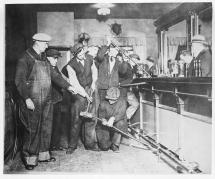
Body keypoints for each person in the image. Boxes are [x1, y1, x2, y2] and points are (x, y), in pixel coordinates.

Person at [15, 33, 76, 170]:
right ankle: (30, 158)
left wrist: (68, 86)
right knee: (32, 129)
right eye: (45, 43)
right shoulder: (25, 58)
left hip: (47, 100)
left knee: (46, 128)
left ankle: (43, 155)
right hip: (32, 100)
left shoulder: (43, 58)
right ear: (36, 42)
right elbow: (19, 81)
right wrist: (26, 98)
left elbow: (54, 76)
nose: (47, 46)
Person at [61, 43, 93, 154]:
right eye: (78, 53)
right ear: (74, 54)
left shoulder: (89, 58)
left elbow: (95, 73)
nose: (81, 55)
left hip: (90, 89)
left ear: (84, 50)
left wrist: (93, 88)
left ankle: (89, 144)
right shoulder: (70, 65)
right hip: (78, 93)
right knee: (76, 119)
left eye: (82, 52)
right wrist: (85, 95)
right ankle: (72, 145)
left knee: (91, 118)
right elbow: (74, 83)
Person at [97, 87, 127, 152]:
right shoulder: (103, 102)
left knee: (121, 123)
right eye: (109, 99)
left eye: (113, 100)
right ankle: (107, 142)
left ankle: (115, 145)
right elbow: (101, 115)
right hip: (105, 125)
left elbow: (121, 114)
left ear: (117, 98)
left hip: (116, 122)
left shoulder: (122, 102)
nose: (110, 101)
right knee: (104, 147)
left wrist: (113, 118)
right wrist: (103, 120)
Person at [46, 49, 64, 151]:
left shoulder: (54, 67)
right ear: (48, 58)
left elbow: (60, 78)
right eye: (55, 58)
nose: (56, 60)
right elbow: (58, 81)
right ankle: (48, 147)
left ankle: (55, 145)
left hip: (57, 100)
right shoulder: (47, 67)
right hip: (50, 101)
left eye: (57, 58)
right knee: (50, 125)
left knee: (57, 124)